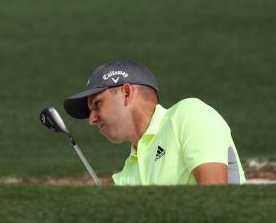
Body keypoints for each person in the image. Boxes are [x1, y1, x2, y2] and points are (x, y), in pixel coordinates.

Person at [63, 60, 245, 185]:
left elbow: (215, 197)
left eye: (97, 104)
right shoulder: (126, 176)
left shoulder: (188, 115)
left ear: (126, 93)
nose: (92, 119)